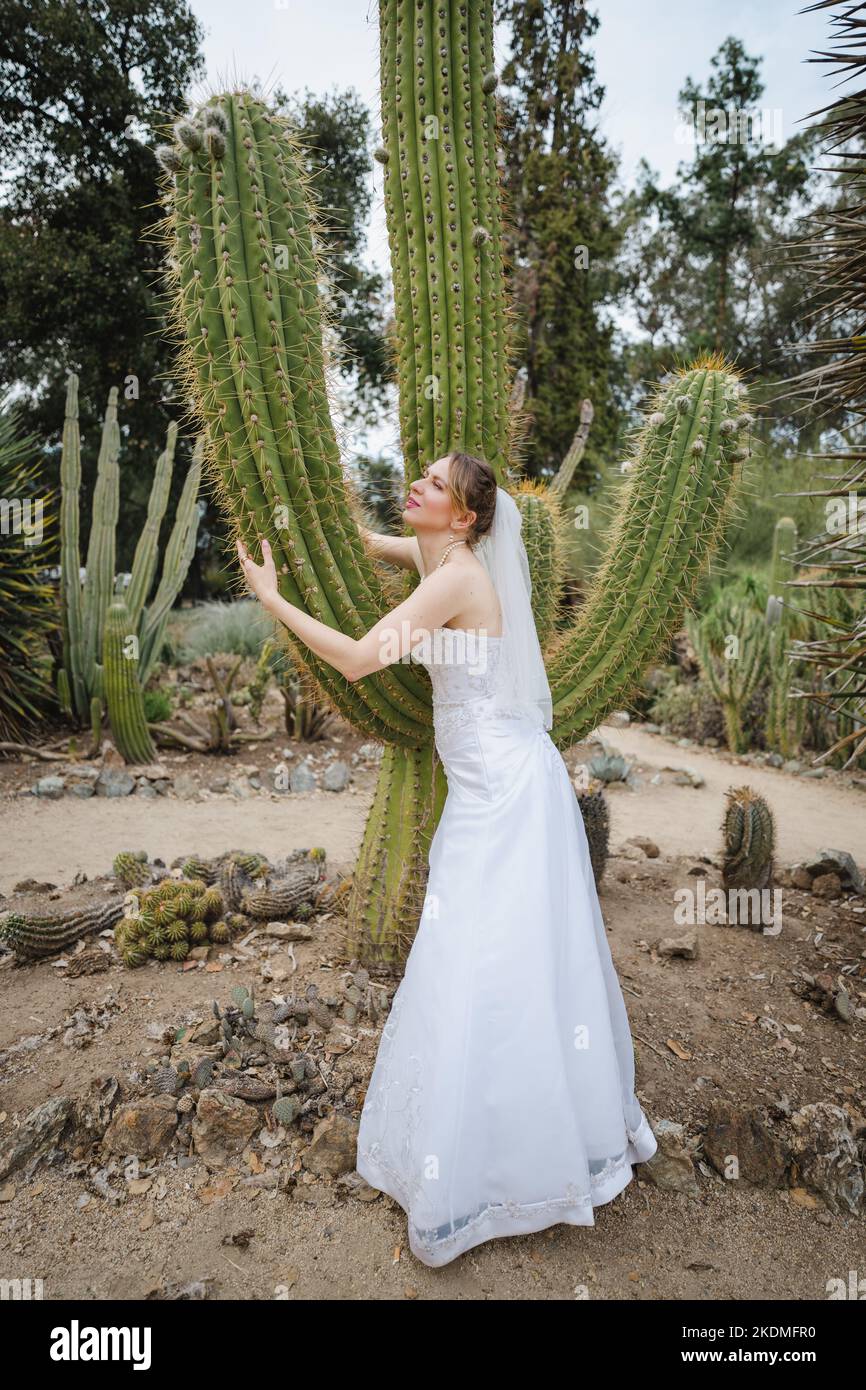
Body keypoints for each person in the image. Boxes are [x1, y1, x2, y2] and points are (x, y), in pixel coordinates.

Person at [237, 449, 658, 1269]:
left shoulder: (459, 577)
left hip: (501, 794)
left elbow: (361, 660)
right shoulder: (442, 554)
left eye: (433, 485)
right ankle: (497, 1142)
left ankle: (492, 1172)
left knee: (475, 961)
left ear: (464, 518)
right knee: (487, 960)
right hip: (489, 785)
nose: (417, 486)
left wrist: (273, 598)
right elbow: (382, 543)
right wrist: (327, 527)